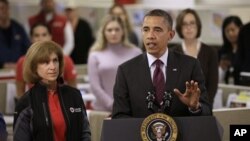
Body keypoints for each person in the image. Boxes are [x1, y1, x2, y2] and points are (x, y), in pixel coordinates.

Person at [112, 9, 212, 118]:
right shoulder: (126, 71)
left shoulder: (190, 65)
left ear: (171, 35)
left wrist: (195, 107)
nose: (150, 35)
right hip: (138, 134)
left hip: (183, 134)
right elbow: (119, 115)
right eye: (146, 30)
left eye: (157, 30)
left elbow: (207, 111)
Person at [14, 41, 91, 141]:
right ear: (34, 67)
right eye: (46, 62)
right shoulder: (26, 102)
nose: (53, 67)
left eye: (55, 60)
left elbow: (85, 133)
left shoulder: (74, 95)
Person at [88, 15, 142, 112]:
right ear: (103, 32)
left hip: (130, 109)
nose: (113, 33)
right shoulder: (95, 55)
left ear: (123, 31)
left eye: (117, 29)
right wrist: (112, 105)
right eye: (109, 30)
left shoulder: (136, 52)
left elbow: (140, 83)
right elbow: (95, 86)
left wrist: (126, 106)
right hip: (102, 111)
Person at [15, 23, 77, 100]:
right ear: (31, 39)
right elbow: (20, 94)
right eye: (36, 35)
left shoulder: (65, 60)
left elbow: (73, 91)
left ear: (50, 37)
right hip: (34, 106)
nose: (40, 38)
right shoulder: (23, 62)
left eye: (44, 35)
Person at [173, 8, 218, 106]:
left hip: (202, 107)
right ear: (180, 27)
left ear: (198, 26)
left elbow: (212, 86)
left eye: (192, 23)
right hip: (178, 108)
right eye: (185, 24)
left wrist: (203, 107)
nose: (189, 28)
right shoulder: (173, 53)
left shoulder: (211, 52)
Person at [0, 0, 30, 69]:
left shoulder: (19, 28)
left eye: (6, 8)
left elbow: (27, 49)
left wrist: (21, 63)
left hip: (19, 69)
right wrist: (3, 65)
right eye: (1, 8)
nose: (3, 11)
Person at [219, 16, 243, 84]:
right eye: (227, 31)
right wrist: (221, 68)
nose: (230, 33)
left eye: (233, 30)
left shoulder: (246, 50)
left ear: (240, 29)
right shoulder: (222, 51)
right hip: (228, 88)